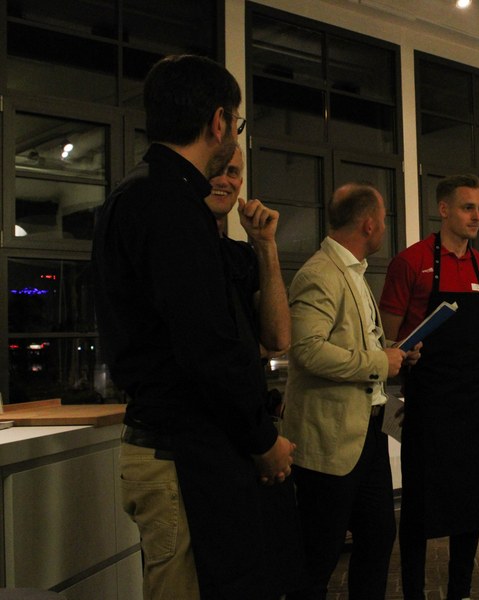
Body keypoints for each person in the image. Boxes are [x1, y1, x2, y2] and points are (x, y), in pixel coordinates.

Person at [92, 54, 302, 600]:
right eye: (236, 121)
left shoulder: (146, 192)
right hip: (180, 450)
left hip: (183, 445)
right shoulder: (167, 201)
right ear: (218, 121)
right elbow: (206, 347)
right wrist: (262, 440)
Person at [379, 174, 479, 600]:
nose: (477, 216)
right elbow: (387, 336)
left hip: (473, 400)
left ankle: (461, 591)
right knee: (419, 506)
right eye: (468, 207)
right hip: (428, 402)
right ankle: (414, 592)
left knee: (471, 505)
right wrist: (399, 355)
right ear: (443, 209)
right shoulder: (410, 262)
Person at [283, 183, 416, 599]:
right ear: (369, 224)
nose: (385, 228)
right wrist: (379, 363)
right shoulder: (319, 274)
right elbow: (307, 351)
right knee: (318, 556)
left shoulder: (354, 272)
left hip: (368, 434)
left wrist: (394, 351)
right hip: (329, 441)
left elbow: (355, 342)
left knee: (378, 537)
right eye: (384, 219)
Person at [205, 145, 290, 362]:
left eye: (232, 172)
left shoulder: (243, 256)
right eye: (215, 170)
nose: (223, 181)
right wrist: (252, 348)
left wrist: (265, 243)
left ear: (240, 183)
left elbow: (279, 339)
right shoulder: (179, 248)